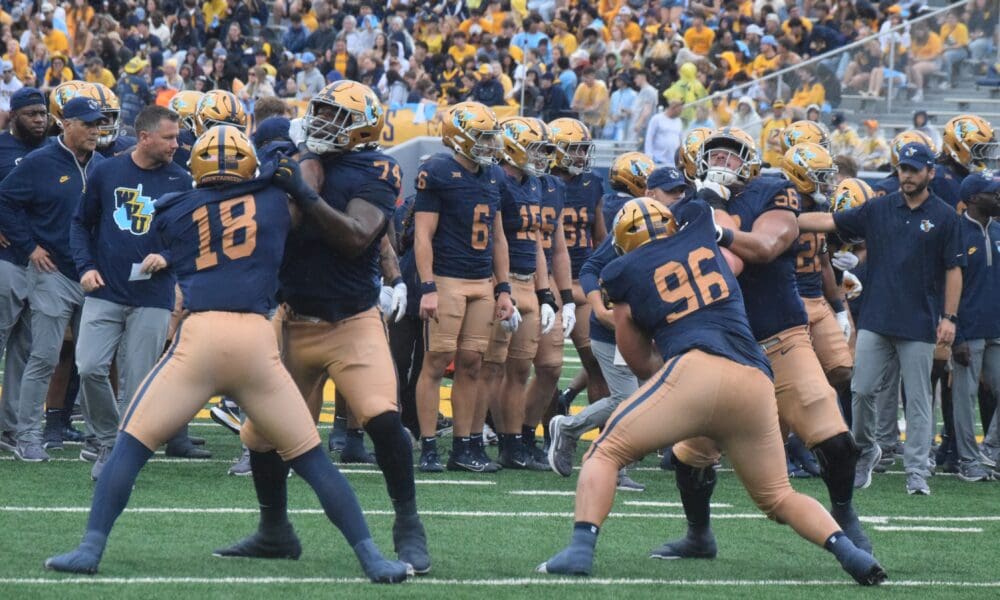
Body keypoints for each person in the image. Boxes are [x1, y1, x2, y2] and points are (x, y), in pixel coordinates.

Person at [42, 125, 410, 584]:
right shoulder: (276, 201)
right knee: (312, 460)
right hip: (257, 342)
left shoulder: (175, 209)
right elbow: (304, 199)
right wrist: (288, 177)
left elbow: (164, 226)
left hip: (200, 338)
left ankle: (90, 547)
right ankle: (372, 556)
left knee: (129, 447)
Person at [536, 197, 886, 587]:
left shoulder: (621, 271)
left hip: (695, 369)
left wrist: (676, 389)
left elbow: (642, 364)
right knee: (778, 496)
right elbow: (699, 209)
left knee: (606, 452)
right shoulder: (701, 226)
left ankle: (580, 551)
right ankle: (849, 553)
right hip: (755, 379)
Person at [230, 80, 430, 574]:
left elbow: (357, 237)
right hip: (292, 316)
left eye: (335, 116)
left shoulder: (376, 167)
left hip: (351, 320)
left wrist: (303, 190)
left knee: (382, 417)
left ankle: (408, 522)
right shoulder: (295, 152)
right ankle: (274, 529)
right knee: (260, 436)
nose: (321, 121)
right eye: (319, 111)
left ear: (360, 129)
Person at [664, 128, 872, 560]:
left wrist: (716, 221)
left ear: (752, 163)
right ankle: (699, 535)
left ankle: (845, 513)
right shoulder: (689, 203)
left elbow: (765, 246)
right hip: (723, 346)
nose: (722, 164)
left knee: (833, 437)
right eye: (714, 156)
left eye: (732, 157)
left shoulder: (775, 191)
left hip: (780, 335)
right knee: (691, 454)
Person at [798, 142, 965, 495]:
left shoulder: (946, 215)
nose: (906, 175)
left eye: (914, 169)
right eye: (903, 168)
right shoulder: (878, 208)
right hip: (876, 316)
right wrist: (786, 218)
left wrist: (949, 317)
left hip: (919, 321)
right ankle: (865, 451)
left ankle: (917, 470)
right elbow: (829, 220)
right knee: (860, 390)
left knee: (919, 401)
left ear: (930, 173)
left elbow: (954, 269)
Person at [68, 105, 197, 481]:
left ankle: (119, 453)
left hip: (153, 295)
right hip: (104, 289)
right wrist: (85, 268)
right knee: (88, 367)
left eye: (178, 137)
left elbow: (190, 238)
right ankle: (108, 439)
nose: (178, 145)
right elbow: (80, 224)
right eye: (170, 138)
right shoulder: (108, 171)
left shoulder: (180, 179)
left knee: (137, 382)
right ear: (144, 137)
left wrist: (168, 255)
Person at [549, 152, 664, 490]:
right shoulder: (627, 233)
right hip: (613, 329)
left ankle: (595, 444)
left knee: (643, 397)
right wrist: (598, 308)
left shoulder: (663, 230)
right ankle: (581, 438)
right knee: (627, 401)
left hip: (637, 328)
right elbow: (589, 269)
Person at [0, 96, 106, 462]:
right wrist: (29, 246)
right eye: (89, 124)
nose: (95, 130)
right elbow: (5, 200)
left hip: (92, 276)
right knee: (43, 356)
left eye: (98, 124)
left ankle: (98, 439)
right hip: (53, 273)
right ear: (67, 124)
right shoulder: (39, 161)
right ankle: (27, 436)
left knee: (94, 361)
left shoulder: (103, 166)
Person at [413, 101, 515, 472]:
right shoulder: (438, 170)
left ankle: (463, 446)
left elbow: (499, 238)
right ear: (459, 138)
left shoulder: (493, 176)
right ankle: (427, 445)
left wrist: (504, 288)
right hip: (447, 278)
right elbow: (423, 235)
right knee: (437, 361)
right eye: (482, 137)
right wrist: (428, 286)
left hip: (482, 281)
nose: (489, 145)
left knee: (472, 364)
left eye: (490, 138)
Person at [477, 116, 555, 471]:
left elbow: (537, 241)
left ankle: (513, 444)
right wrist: (499, 287)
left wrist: (546, 292)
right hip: (503, 280)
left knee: (520, 370)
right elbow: (495, 237)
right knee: (491, 367)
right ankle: (475, 438)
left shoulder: (534, 184)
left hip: (528, 282)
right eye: (534, 147)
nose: (540, 156)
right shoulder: (497, 181)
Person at [0, 88, 49, 453]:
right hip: (7, 261)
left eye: (42, 113)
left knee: (27, 351)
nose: (39, 119)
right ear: (14, 115)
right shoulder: (2, 149)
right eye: (31, 113)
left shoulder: (53, 152)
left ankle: (11, 428)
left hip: (43, 265)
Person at [949, 173, 1000, 483]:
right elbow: (946, 288)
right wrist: (958, 335)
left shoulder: (998, 229)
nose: (998, 197)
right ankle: (968, 460)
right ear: (973, 199)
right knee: (964, 400)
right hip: (968, 331)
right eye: (993, 194)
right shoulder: (956, 234)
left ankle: (991, 449)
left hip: (997, 329)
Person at [644, 99, 684, 167]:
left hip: (673, 161)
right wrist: (649, 155)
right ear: (673, 108)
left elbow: (680, 139)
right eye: (679, 110)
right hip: (658, 160)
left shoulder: (679, 121)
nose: (681, 112)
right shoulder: (657, 119)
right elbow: (649, 137)